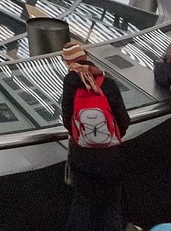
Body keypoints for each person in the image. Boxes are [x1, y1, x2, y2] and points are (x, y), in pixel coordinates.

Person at [61, 40, 129, 231]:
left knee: (82, 204)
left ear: (67, 62)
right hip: (112, 159)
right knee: (112, 207)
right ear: (86, 57)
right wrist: (109, 140)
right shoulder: (107, 82)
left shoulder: (71, 84)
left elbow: (67, 119)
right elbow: (124, 120)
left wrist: (82, 140)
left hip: (82, 158)